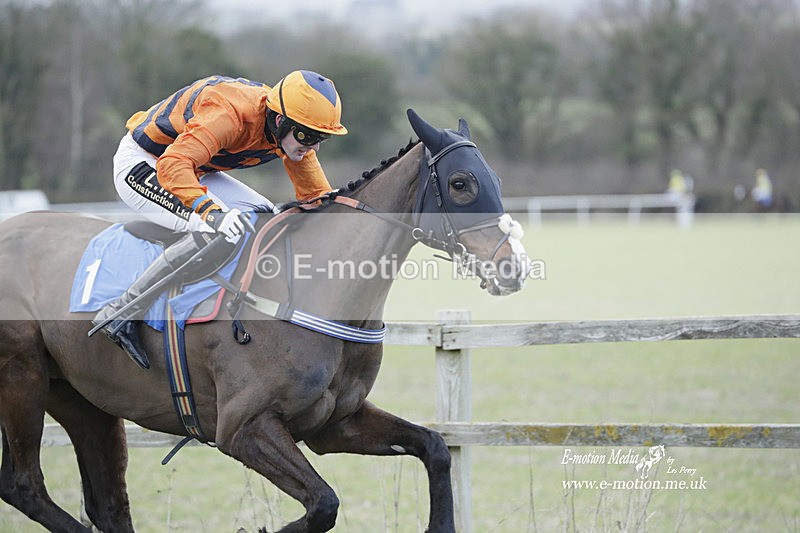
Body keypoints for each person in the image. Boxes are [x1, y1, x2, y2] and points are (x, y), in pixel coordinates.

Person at [90, 71, 348, 369]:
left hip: (195, 168)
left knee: (266, 218)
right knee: (218, 228)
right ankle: (122, 312)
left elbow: (317, 198)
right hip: (146, 162)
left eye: (321, 138)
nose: (314, 147)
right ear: (280, 120)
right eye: (308, 136)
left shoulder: (290, 129)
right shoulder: (229, 113)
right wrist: (211, 212)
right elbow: (173, 164)